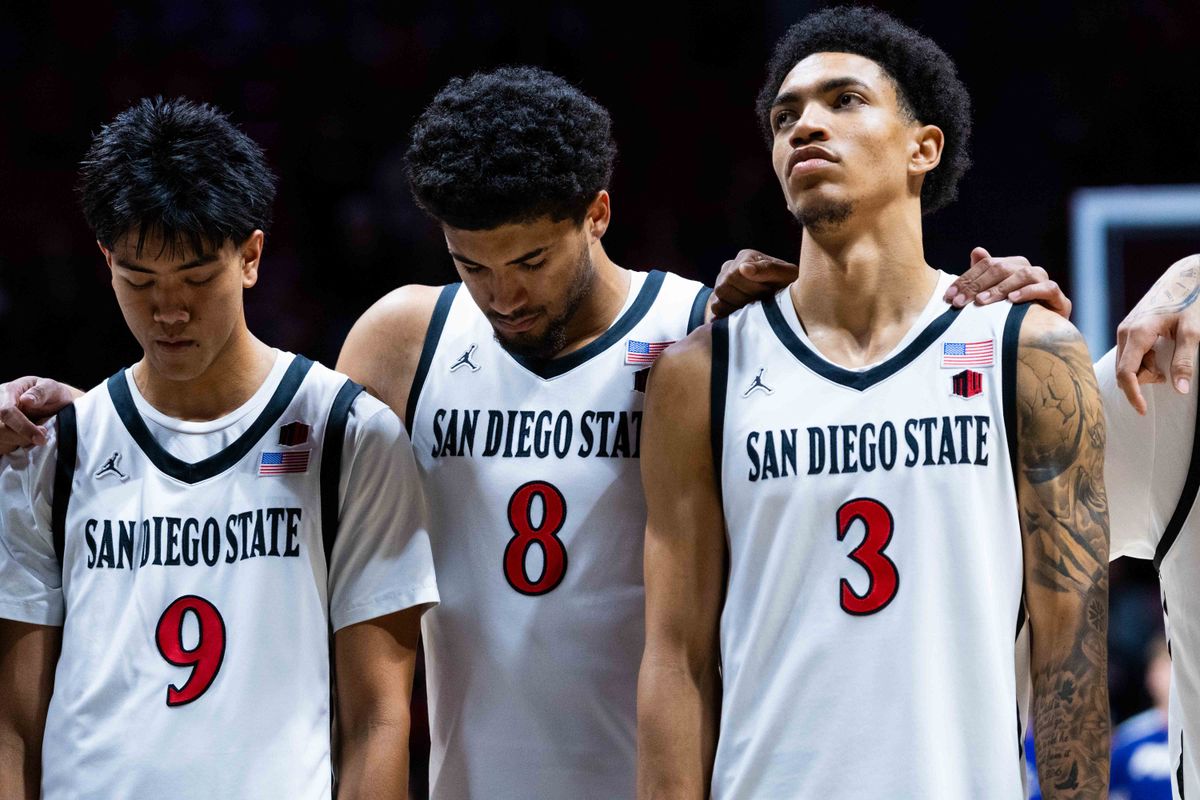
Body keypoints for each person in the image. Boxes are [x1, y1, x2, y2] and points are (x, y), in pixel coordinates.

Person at [0, 71, 1061, 799]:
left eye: (532, 261)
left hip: (670, 772)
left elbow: (873, 396)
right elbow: (224, 445)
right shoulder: (404, 336)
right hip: (475, 777)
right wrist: (56, 425)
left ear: (598, 214)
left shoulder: (701, 331)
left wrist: (988, 300)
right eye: (474, 263)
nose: (502, 293)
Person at [636, 8, 1109, 798]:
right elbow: (676, 661)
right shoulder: (700, 373)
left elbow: (1071, 652)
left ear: (924, 147)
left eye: (843, 100)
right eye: (785, 117)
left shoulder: (1027, 353)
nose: (805, 127)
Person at [0, 97, 438, 800]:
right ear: (105, 260)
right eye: (139, 281)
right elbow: (15, 729)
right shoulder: (51, 450)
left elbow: (379, 720)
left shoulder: (348, 436)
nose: (169, 310)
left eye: (197, 279)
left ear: (251, 258)